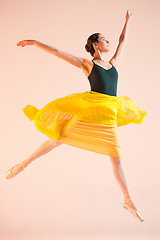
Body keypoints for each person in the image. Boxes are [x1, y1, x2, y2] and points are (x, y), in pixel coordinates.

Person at [5, 10, 147, 222]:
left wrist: (128, 21)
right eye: (104, 39)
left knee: (116, 159)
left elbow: (122, 40)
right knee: (57, 139)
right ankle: (23, 164)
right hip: (89, 110)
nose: (109, 41)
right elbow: (57, 52)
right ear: (96, 45)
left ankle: (128, 200)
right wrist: (34, 42)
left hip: (108, 115)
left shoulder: (113, 64)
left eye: (108, 39)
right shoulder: (87, 64)